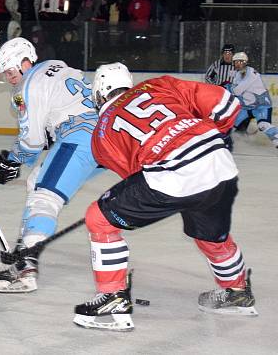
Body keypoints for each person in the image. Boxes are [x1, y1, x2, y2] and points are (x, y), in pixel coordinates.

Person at [73, 63, 257, 331]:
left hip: (172, 176)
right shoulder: (159, 85)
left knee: (99, 220)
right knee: (210, 236)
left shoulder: (102, 132)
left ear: (100, 95)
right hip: (219, 162)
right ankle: (236, 291)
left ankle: (113, 296)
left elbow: (136, 176)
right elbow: (227, 104)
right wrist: (200, 137)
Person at [0, 37, 100, 293]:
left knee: (45, 196)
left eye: (9, 71)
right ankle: (26, 244)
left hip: (80, 138)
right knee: (36, 181)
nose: (8, 79)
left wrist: (13, 160)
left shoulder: (27, 88)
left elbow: (32, 141)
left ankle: (26, 266)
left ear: (23, 63)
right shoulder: (57, 66)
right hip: (106, 135)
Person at [229, 52, 278, 147]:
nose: (237, 64)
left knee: (263, 125)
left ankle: (276, 138)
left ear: (244, 62)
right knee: (230, 124)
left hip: (261, 106)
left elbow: (237, 91)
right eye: (235, 62)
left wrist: (230, 88)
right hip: (245, 108)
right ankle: (222, 140)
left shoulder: (252, 74)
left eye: (239, 62)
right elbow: (235, 91)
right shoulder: (238, 74)